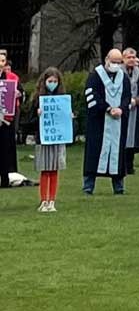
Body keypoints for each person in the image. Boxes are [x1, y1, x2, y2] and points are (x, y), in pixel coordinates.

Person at [82, 48, 132, 196]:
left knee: (118, 153)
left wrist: (122, 109)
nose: (115, 65)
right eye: (113, 61)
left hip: (118, 121)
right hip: (99, 122)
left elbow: (127, 96)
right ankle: (88, 186)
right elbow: (92, 95)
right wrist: (108, 109)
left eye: (118, 62)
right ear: (106, 60)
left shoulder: (123, 77)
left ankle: (118, 187)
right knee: (94, 153)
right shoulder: (95, 76)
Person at [35, 68, 67, 212]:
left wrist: (69, 117)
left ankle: (52, 200)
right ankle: (43, 200)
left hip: (57, 138)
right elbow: (29, 121)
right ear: (44, 82)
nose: (52, 84)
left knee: (54, 170)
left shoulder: (62, 99)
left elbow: (66, 122)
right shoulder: (38, 98)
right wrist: (37, 114)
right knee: (44, 170)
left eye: (55, 81)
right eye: (50, 81)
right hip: (43, 138)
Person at [0, 48, 20, 187]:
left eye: (2, 60)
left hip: (6, 120)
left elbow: (20, 92)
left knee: (5, 149)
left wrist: (18, 94)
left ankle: (5, 179)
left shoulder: (12, 78)